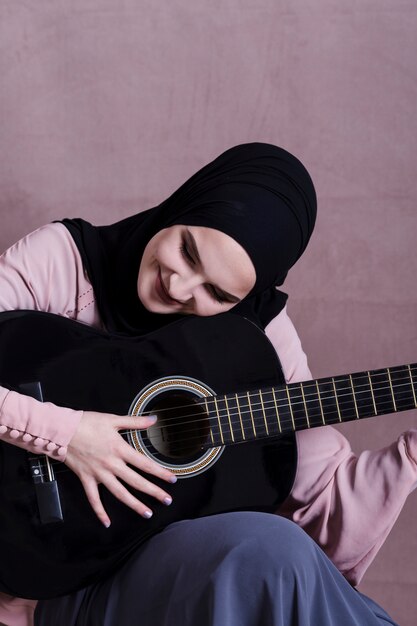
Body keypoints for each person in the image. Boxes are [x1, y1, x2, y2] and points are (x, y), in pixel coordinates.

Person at [0, 142, 414, 626]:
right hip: (36, 572)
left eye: (216, 293)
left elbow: (320, 493)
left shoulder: (259, 335)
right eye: (187, 250)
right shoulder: (63, 260)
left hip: (146, 567)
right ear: (188, 203)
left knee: (277, 552)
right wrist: (67, 435)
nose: (177, 288)